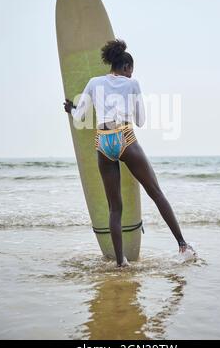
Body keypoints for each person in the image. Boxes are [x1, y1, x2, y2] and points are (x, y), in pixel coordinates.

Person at [64, 39, 196, 268]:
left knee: (115, 208)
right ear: (126, 67)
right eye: (131, 70)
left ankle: (120, 262)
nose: (131, 74)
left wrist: (71, 109)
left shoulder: (94, 83)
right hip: (125, 137)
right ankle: (183, 245)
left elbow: (79, 117)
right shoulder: (132, 83)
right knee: (156, 192)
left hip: (102, 142)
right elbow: (141, 121)